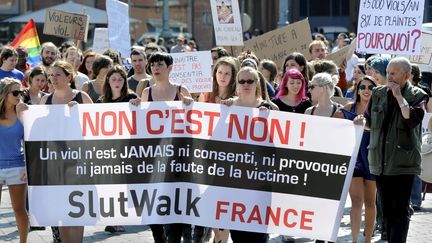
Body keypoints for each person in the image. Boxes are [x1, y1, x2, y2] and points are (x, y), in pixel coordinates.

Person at [365, 57, 428, 243]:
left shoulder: (418, 95)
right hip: (380, 161)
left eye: (393, 73)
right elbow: (370, 122)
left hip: (403, 162)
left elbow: (411, 119)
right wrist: (361, 123)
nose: (389, 77)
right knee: (386, 212)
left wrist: (399, 96)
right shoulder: (377, 93)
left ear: (407, 75)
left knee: (399, 210)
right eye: (388, 73)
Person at [137, 52, 193, 243]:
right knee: (153, 203)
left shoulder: (180, 90)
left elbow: (192, 124)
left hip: (177, 158)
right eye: (152, 65)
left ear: (170, 68)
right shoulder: (146, 93)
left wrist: (190, 105)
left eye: (160, 64)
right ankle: (159, 236)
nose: (155, 68)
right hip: (153, 158)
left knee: (175, 202)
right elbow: (141, 127)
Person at [39, 60, 93, 243]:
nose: (53, 79)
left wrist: (81, 115)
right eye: (51, 75)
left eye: (58, 75)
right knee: (60, 212)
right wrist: (23, 113)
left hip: (78, 164)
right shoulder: (45, 100)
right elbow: (36, 132)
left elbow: (98, 128)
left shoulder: (82, 98)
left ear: (69, 77)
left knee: (77, 212)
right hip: (54, 165)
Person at [221, 67, 273, 243]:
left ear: (257, 83)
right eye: (242, 81)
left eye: (250, 81)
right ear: (237, 84)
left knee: (259, 235)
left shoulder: (269, 108)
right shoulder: (227, 107)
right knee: (238, 235)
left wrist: (269, 120)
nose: (246, 85)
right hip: (235, 180)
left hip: (260, 180)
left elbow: (279, 145)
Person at [336, 76, 378, 243]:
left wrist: (366, 126)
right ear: (358, 90)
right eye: (363, 87)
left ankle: (367, 240)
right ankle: (354, 240)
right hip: (354, 159)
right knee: (356, 201)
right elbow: (335, 129)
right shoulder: (349, 108)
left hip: (372, 158)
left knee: (370, 201)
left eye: (370, 87)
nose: (366, 90)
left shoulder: (379, 108)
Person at [0, 78, 29, 243]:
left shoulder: (23, 112)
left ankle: (23, 241)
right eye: (16, 92)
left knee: (19, 209)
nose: (20, 96)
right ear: (4, 94)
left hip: (17, 166)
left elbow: (29, 140)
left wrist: (28, 166)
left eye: (21, 92)